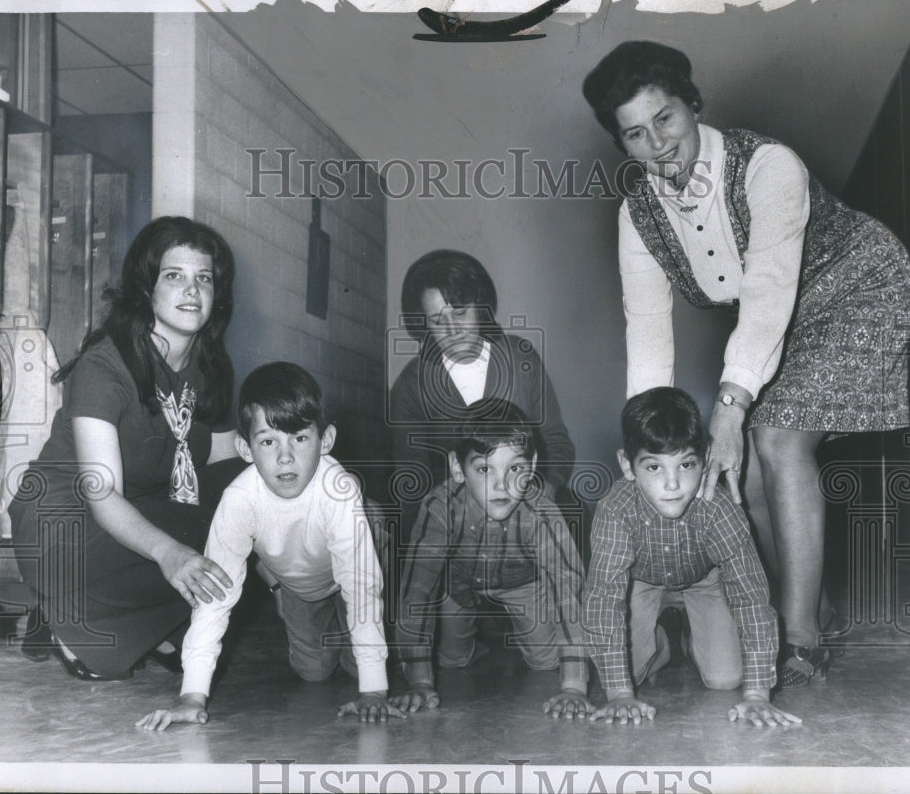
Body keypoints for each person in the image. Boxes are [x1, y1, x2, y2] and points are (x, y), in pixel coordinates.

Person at [581, 41, 910, 686]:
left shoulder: (768, 165)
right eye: (634, 134)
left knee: (773, 435)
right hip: (784, 323)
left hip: (858, 289)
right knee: (749, 477)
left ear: (694, 106)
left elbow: (766, 291)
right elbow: (649, 329)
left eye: (666, 119)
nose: (657, 143)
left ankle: (799, 638)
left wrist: (732, 404)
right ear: (620, 144)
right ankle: (810, 603)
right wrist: (653, 444)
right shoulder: (639, 216)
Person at [9, 216, 244, 681]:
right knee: (199, 536)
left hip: (130, 516)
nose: (192, 290)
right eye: (174, 276)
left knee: (243, 508)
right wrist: (170, 552)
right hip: (59, 525)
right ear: (146, 289)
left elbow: (218, 450)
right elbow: (102, 494)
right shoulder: (106, 364)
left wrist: (295, 465)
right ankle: (69, 619)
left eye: (204, 278)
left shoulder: (206, 365)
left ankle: (92, 619)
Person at [137, 362, 402, 730]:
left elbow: (362, 587)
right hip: (302, 586)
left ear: (325, 441)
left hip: (356, 566)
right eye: (268, 441)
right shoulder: (239, 501)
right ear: (245, 448)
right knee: (314, 673)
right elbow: (214, 598)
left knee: (369, 664)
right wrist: (191, 696)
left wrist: (374, 690)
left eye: (299, 438)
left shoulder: (337, 491)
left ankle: (374, 634)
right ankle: (339, 632)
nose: (285, 456)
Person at [583, 387, 800, 728]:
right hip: (639, 582)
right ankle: (664, 643)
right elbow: (604, 600)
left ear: (705, 457)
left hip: (704, 580)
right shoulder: (616, 509)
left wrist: (757, 695)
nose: (673, 484)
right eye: (654, 467)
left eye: (686, 464)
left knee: (726, 679)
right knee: (628, 673)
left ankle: (692, 634)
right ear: (627, 465)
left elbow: (752, 599)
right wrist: (620, 694)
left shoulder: (720, 509)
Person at [391, 399, 589, 719]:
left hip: (522, 579)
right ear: (457, 468)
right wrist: (420, 681)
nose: (502, 485)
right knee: (451, 661)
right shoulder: (439, 507)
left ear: (533, 465)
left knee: (547, 662)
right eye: (484, 469)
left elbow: (569, 587)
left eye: (515, 468)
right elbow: (418, 589)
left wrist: (573, 686)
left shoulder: (541, 510)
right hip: (458, 582)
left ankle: (504, 624)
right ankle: (476, 639)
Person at [388, 250, 575, 535]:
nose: (453, 330)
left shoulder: (521, 359)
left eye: (461, 312)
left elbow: (555, 441)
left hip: (525, 501)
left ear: (481, 307)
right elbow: (412, 480)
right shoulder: (411, 386)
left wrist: (542, 493)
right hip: (456, 521)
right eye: (438, 321)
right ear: (423, 324)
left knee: (573, 508)